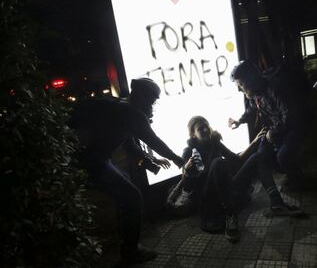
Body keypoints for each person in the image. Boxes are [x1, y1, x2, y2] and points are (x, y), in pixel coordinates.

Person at [69, 78, 184, 265]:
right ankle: (130, 251)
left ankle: (125, 240)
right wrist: (178, 160)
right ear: (142, 97)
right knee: (131, 197)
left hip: (94, 159)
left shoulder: (121, 105)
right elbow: (154, 142)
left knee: (126, 194)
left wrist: (148, 162)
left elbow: (129, 144)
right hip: (91, 162)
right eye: (152, 101)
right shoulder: (132, 114)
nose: (153, 106)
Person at [229, 60, 311, 215]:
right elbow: (253, 107)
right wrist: (240, 121)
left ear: (250, 79)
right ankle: (277, 200)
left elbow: (290, 115)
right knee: (261, 155)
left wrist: (274, 132)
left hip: (294, 125)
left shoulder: (275, 88)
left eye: (241, 85)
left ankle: (298, 179)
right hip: (278, 126)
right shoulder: (255, 92)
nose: (239, 90)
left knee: (283, 155)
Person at [166, 116, 266, 242]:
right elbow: (188, 185)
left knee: (256, 156)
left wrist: (254, 143)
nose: (205, 130)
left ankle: (277, 202)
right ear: (193, 134)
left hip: (226, 187)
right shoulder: (189, 151)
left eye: (206, 126)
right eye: (200, 129)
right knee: (218, 162)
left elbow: (236, 159)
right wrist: (186, 170)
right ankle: (230, 214)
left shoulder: (215, 144)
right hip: (207, 196)